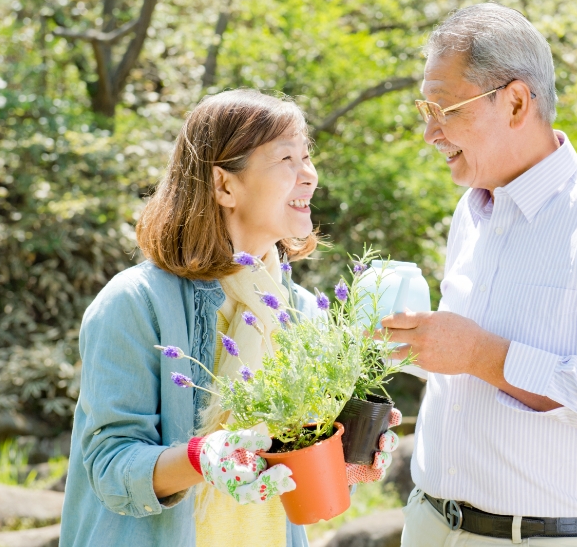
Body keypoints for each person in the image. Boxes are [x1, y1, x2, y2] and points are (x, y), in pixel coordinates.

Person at [380, 3, 577, 546]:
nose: (429, 132)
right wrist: (423, 350)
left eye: (445, 109)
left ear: (516, 101)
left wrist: (483, 355)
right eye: (424, 108)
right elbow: (468, 370)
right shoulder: (470, 211)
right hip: (430, 525)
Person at [60, 89, 398, 547]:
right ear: (224, 185)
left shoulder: (299, 310)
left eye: (307, 156)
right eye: (286, 159)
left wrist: (347, 456)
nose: (309, 176)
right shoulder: (135, 302)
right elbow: (110, 467)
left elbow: (296, 469)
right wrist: (202, 458)